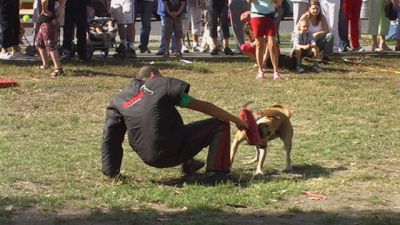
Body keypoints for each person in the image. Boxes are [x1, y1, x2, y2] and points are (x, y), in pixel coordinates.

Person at [101, 65, 248, 185]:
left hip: (148, 156)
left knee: (166, 121)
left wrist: (112, 172)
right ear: (153, 75)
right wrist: (238, 120)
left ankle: (189, 164)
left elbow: (110, 138)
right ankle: (218, 174)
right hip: (171, 149)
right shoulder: (159, 84)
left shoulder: (119, 100)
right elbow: (205, 107)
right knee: (219, 125)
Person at [248, 0, 281, 80]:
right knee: (259, 45)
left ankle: (276, 71)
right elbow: (249, 1)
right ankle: (260, 71)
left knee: (272, 45)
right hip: (256, 16)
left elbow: (277, 2)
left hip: (270, 16)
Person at [36, 0, 65, 77]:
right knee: (40, 42)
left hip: (47, 21)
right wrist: (59, 10)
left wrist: (45, 10)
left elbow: (44, 1)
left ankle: (58, 68)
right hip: (46, 20)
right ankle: (45, 64)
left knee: (50, 44)